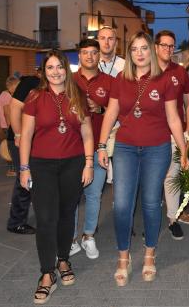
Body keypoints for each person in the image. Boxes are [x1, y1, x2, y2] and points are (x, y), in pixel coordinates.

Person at [97, 31, 189, 287]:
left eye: (144, 48)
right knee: (122, 205)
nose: (139, 53)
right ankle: (123, 258)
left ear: (151, 51)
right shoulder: (120, 80)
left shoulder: (165, 81)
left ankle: (150, 254)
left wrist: (183, 149)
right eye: (135, 49)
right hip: (125, 147)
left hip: (157, 149)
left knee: (150, 203)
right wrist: (102, 145)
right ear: (130, 53)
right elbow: (110, 114)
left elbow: (173, 118)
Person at [19, 49, 94, 304]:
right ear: (44, 72)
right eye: (50, 67)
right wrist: (24, 167)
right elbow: (26, 135)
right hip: (42, 166)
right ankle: (46, 274)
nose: (55, 72)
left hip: (73, 165)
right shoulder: (35, 97)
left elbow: (86, 133)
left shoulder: (78, 96)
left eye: (59, 67)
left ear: (66, 69)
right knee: (46, 218)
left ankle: (63, 260)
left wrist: (89, 163)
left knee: (66, 216)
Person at [70, 39, 113, 258]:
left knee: (94, 195)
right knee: (73, 197)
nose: (89, 56)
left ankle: (88, 236)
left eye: (93, 53)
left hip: (99, 148)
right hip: (72, 150)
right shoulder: (68, 80)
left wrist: (102, 108)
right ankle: (71, 240)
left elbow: (119, 112)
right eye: (85, 52)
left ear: (99, 56)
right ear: (79, 56)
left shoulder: (109, 82)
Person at [155, 30, 189, 240]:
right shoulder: (146, 70)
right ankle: (151, 224)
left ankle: (173, 219)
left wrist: (188, 128)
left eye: (171, 46)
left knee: (172, 177)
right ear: (156, 47)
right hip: (150, 134)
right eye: (164, 45)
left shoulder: (179, 71)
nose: (168, 49)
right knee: (152, 180)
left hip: (174, 133)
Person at [7, 72, 41, 235]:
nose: (55, 72)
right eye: (50, 67)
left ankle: (20, 219)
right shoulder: (32, 81)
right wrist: (18, 134)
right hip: (20, 138)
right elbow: (14, 106)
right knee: (25, 178)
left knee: (31, 177)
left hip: (35, 139)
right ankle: (16, 222)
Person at [97, 25, 125, 185]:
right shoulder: (88, 64)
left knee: (120, 172)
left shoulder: (125, 66)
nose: (106, 42)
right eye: (102, 38)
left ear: (116, 42)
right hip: (96, 124)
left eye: (110, 38)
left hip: (120, 125)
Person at [0, 76, 19, 176]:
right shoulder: (6, 96)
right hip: (8, 126)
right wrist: (12, 129)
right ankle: (12, 170)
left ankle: (13, 169)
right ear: (12, 85)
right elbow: (7, 113)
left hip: (8, 126)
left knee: (12, 147)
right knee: (11, 148)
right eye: (17, 85)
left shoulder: (7, 95)